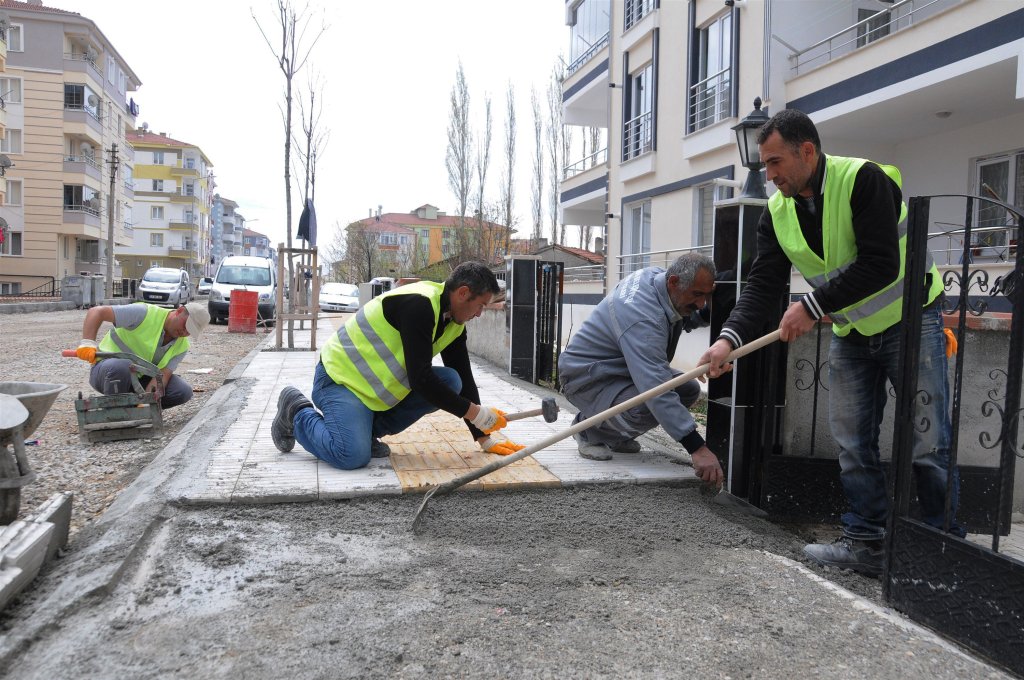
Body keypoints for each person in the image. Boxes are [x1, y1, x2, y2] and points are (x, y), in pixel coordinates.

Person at [699, 109, 962, 577]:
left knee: (927, 439)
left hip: (911, 321)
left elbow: (880, 263)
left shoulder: (864, 180)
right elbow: (762, 284)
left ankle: (943, 551)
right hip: (853, 332)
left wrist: (812, 307)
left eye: (776, 162)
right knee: (852, 442)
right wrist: (726, 340)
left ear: (808, 151)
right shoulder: (778, 212)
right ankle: (867, 545)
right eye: (765, 165)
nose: (771, 174)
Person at [272, 262, 525, 470]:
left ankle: (365, 432)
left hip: (369, 391)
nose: (480, 313)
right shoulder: (420, 305)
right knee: (351, 455)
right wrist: (475, 413)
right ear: (462, 293)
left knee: (452, 381)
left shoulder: (453, 322)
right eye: (480, 305)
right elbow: (420, 379)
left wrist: (482, 435)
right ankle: (296, 412)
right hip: (340, 380)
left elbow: (465, 379)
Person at [556, 252, 724, 486]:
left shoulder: (656, 280)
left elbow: (677, 315)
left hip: (619, 369)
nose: (701, 303)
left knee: (686, 389)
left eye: (706, 295)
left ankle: (615, 434)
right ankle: (589, 431)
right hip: (586, 377)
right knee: (648, 401)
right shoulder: (643, 319)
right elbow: (656, 388)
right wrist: (697, 448)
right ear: (674, 282)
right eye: (697, 295)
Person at [75, 301, 210, 409]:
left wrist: (146, 401)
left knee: (182, 391)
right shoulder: (144, 313)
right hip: (108, 372)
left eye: (189, 331)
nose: (184, 332)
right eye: (185, 325)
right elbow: (97, 312)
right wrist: (87, 343)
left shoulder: (182, 346)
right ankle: (114, 412)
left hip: (137, 380)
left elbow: (162, 376)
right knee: (123, 366)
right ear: (179, 311)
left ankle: (135, 408)